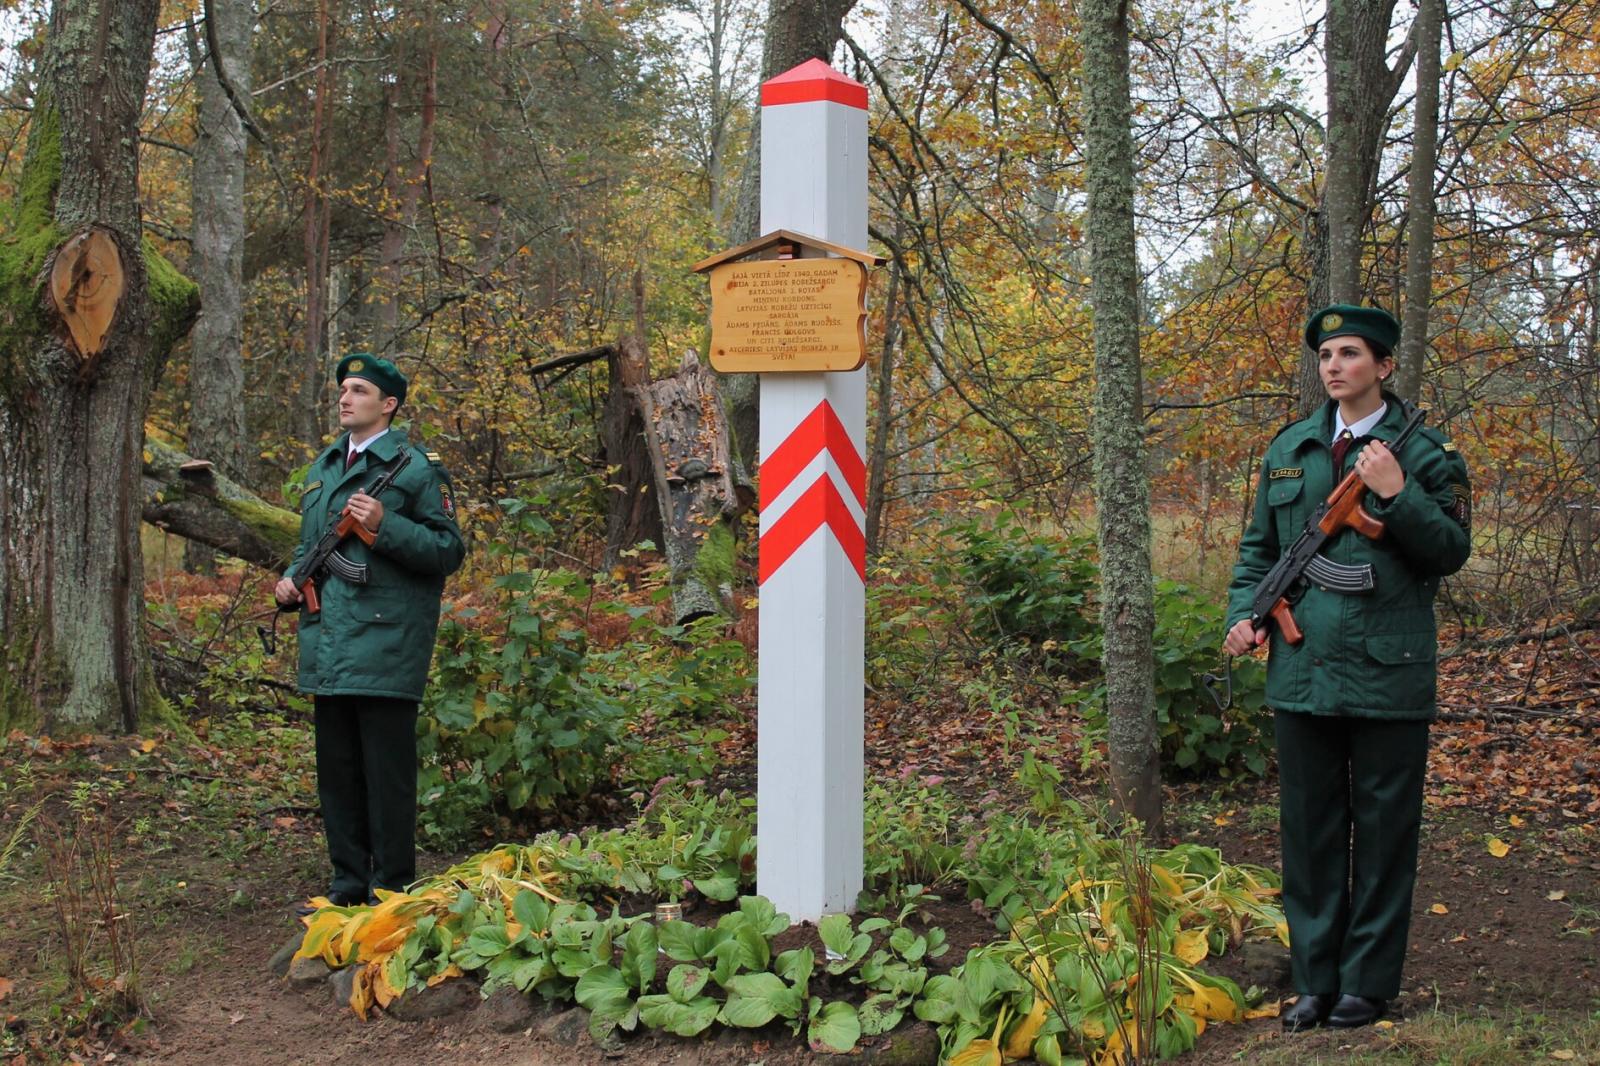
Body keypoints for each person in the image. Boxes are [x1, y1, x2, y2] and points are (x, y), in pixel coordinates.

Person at [1224, 305, 1471, 1032]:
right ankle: (1314, 980)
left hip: (1389, 669)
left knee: (1386, 832)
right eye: (1327, 355)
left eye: (1351, 354)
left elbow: (1450, 551)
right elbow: (1260, 549)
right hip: (1302, 668)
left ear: (1384, 366)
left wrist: (1396, 492)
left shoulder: (1427, 452)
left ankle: (1367, 982)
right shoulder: (1291, 447)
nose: (1334, 366)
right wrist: (1245, 614)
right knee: (1309, 833)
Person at [274, 353, 466, 908]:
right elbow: (309, 546)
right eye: (343, 389)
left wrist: (386, 525)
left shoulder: (417, 470)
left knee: (386, 777)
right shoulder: (325, 466)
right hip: (328, 641)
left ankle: (392, 887)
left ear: (388, 404)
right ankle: (347, 884)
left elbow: (448, 551)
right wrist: (290, 580)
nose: (345, 397)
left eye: (359, 390)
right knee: (337, 775)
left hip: (386, 642)